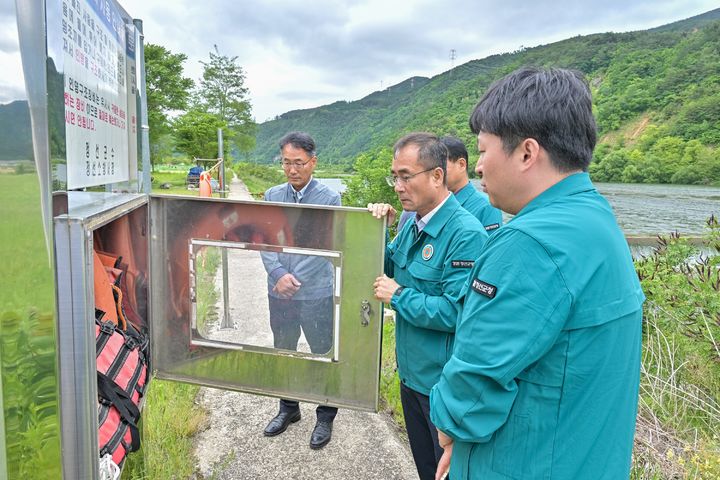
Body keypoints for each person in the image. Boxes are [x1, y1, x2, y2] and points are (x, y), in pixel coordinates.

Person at [429, 67, 645, 479]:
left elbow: (473, 382)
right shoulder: (594, 218)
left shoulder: (529, 243)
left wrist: (449, 430)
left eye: (484, 150)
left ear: (527, 153)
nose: (477, 168)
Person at [368, 132, 488, 480]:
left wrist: (399, 296)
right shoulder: (412, 223)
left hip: (442, 385)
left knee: (446, 473)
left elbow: (457, 312)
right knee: (423, 467)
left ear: (437, 176)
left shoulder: (465, 234)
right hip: (411, 376)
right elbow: (389, 266)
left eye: (406, 176)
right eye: (396, 177)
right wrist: (376, 230)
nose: (398, 186)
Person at [260, 131, 341, 449]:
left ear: (313, 162)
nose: (292, 170)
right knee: (284, 349)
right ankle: (288, 408)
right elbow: (263, 239)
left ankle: (324, 416)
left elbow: (323, 247)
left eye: (299, 163)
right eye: (286, 163)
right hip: (278, 291)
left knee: (322, 352)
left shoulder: (329, 198)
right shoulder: (272, 194)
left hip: (316, 291)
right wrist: (278, 273)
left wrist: (294, 278)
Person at [397, 136, 503, 233]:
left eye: (442, 165)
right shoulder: (420, 207)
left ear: (461, 164)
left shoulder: (486, 206)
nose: (435, 173)